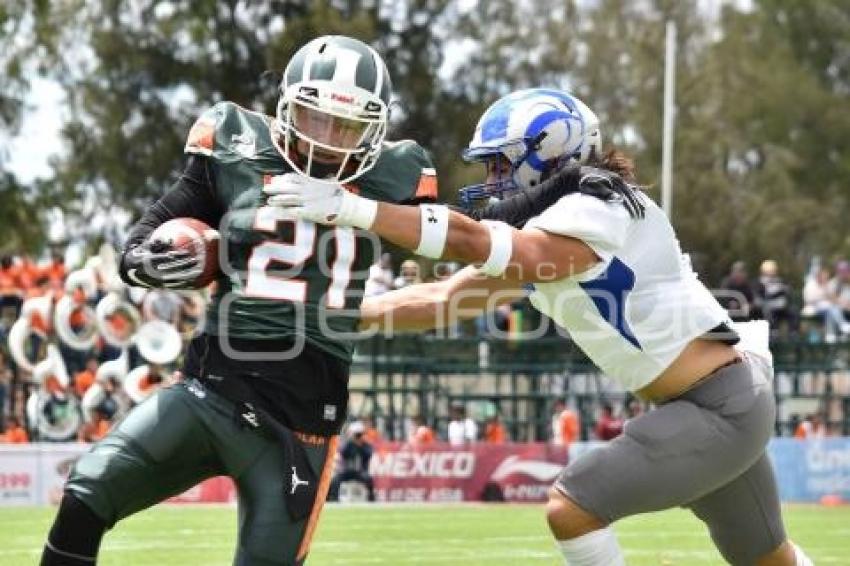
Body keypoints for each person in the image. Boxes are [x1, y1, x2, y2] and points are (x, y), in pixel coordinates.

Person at [272, 87, 812, 565]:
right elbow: (441, 297)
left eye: (500, 166)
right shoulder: (552, 235)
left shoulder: (597, 206)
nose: (491, 181)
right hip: (710, 405)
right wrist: (333, 314)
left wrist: (356, 209)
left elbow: (478, 243)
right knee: (770, 560)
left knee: (572, 507)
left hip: (720, 405)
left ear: (550, 153)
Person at [40, 35, 441, 566]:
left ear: (376, 128)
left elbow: (470, 236)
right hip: (211, 392)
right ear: (286, 104)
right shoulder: (237, 142)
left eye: (347, 125)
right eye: (315, 117)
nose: (328, 139)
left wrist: (548, 202)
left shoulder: (397, 173)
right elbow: (147, 234)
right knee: (87, 493)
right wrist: (146, 260)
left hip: (298, 426)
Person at [328, 421, 375, 502]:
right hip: (348, 471)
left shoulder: (366, 445)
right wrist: (351, 441)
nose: (358, 437)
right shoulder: (349, 445)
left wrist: (360, 445)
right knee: (335, 480)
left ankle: (371, 499)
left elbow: (368, 454)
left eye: (359, 434)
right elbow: (343, 452)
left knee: (369, 479)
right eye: (357, 435)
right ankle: (333, 499)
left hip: (360, 471)